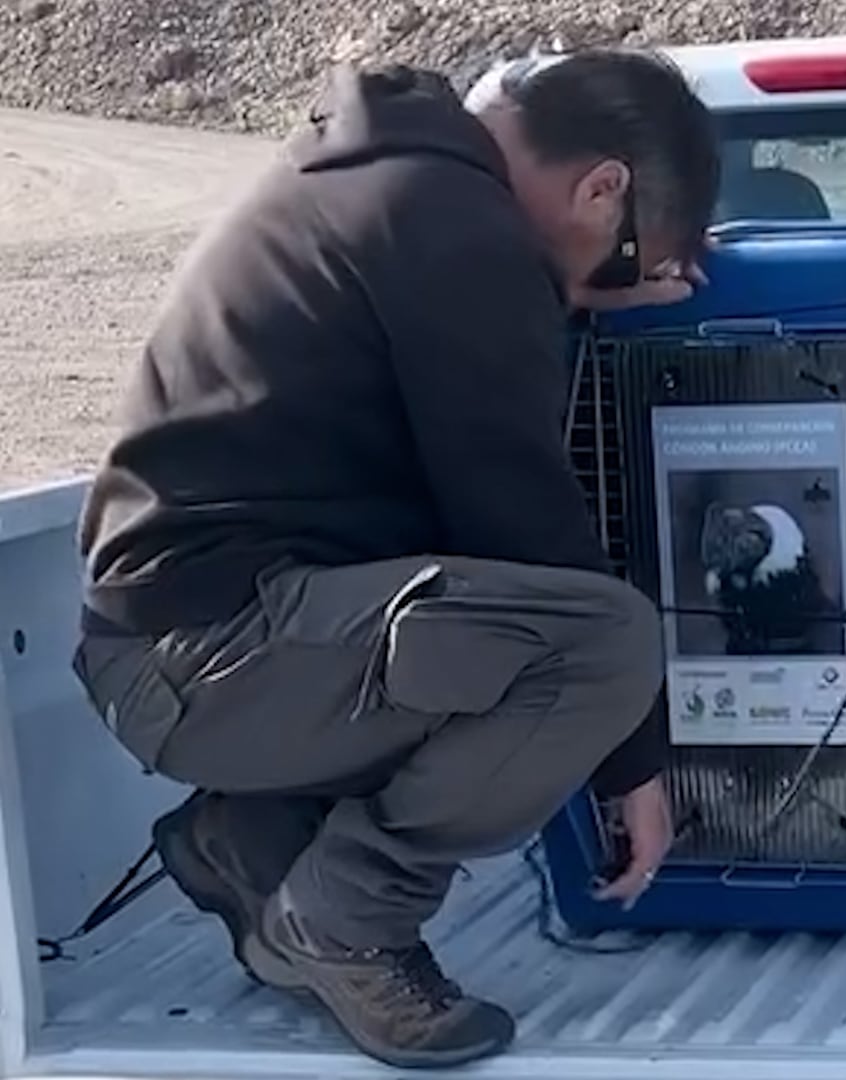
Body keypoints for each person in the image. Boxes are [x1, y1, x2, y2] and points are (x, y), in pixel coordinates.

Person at [68, 49, 719, 1069]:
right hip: (210, 658)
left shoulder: (395, 180)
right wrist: (633, 758)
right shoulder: (458, 230)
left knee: (479, 627)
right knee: (599, 644)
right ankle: (346, 920)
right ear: (603, 188)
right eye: (627, 258)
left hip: (177, 646)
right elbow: (520, 517)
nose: (618, 282)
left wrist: (578, 294)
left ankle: (251, 845)